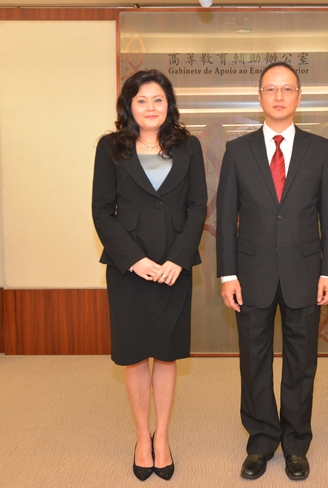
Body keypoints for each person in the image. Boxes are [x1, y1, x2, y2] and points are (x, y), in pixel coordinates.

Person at [216, 62, 328, 481]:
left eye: (287, 89)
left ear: (299, 97)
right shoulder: (238, 151)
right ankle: (261, 440)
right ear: (260, 96)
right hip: (249, 274)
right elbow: (226, 216)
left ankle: (295, 442)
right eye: (271, 89)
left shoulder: (321, 150)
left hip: (306, 273)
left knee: (302, 363)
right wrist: (227, 275)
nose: (279, 96)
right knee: (252, 361)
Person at [92, 69, 207, 482]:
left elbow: (197, 207)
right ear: (129, 105)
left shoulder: (187, 145)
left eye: (158, 99)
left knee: (167, 353)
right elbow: (102, 211)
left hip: (175, 268)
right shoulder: (111, 147)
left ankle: (164, 436)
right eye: (141, 100)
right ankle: (143, 437)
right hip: (130, 269)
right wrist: (135, 260)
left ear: (169, 104)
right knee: (135, 354)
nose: (150, 107)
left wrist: (178, 258)